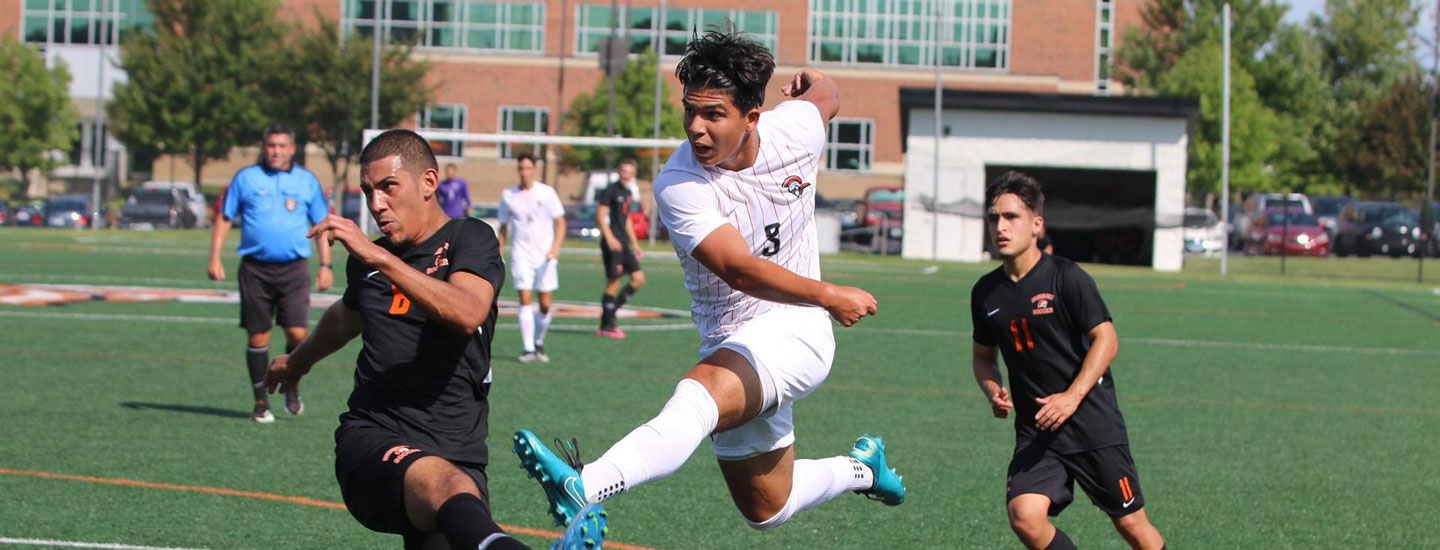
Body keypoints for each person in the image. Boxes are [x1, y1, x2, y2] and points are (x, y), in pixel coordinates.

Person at [511, 30, 906, 534]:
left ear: (753, 117)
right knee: (768, 508)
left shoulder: (796, 131)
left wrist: (819, 79)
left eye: (713, 114)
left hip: (798, 329)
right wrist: (830, 294)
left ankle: (584, 487)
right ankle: (862, 470)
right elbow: (738, 268)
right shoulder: (679, 184)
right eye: (689, 111)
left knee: (697, 397)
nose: (696, 128)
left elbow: (823, 98)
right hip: (732, 339)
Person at [260, 129, 607, 550]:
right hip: (373, 437)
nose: (376, 204)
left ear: (428, 182)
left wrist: (382, 259)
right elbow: (341, 321)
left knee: (455, 503)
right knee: (445, 486)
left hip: (458, 449)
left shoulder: (469, 238)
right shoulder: (370, 264)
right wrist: (295, 363)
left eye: (388, 187)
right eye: (368, 192)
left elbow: (466, 312)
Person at [970, 171, 1166, 550]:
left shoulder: (1067, 277)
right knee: (1025, 517)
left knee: (1131, 524)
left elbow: (1107, 340)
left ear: (1036, 225)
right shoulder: (985, 292)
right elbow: (982, 358)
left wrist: (1071, 397)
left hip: (1092, 424)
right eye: (994, 218)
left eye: (1012, 217)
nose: (1001, 227)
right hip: (1037, 430)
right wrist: (993, 389)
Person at [207, 123, 332, 424]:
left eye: (282, 146)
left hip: (294, 270)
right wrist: (214, 257)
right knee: (258, 335)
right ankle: (260, 401)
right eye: (271, 146)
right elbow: (225, 218)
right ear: (264, 147)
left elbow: (322, 224)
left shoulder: (306, 181)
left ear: (292, 148)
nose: (276, 151)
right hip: (255, 269)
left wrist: (325, 266)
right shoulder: (246, 178)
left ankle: (292, 384)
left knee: (297, 334)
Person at [497, 152, 566, 363]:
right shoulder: (509, 195)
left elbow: (560, 223)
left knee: (545, 305)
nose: (524, 172)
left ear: (534, 169)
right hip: (521, 255)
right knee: (525, 300)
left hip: (545, 256)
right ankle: (527, 349)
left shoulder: (546, 193)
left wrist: (555, 248)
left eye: (528, 168)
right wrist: (499, 251)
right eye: (521, 168)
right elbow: (503, 227)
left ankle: (538, 342)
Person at [594, 158, 646, 338]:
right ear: (619, 171)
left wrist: (635, 244)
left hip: (624, 243)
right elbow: (600, 215)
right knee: (614, 282)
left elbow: (628, 220)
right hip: (613, 243)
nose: (626, 175)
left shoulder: (628, 192)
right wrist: (609, 238)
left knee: (638, 279)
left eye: (630, 172)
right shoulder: (610, 191)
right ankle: (606, 326)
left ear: (634, 174)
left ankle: (611, 313)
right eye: (624, 171)